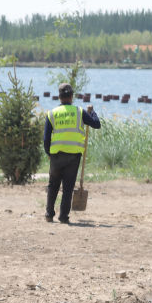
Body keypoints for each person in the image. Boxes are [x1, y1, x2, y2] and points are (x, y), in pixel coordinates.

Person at [43, 83, 101, 223]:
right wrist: (92, 113)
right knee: (68, 187)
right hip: (73, 156)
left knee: (53, 185)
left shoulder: (52, 113)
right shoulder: (80, 112)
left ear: (59, 96)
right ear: (71, 96)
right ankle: (63, 217)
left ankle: (49, 214)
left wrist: (48, 153)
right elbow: (96, 124)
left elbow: (46, 138)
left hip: (56, 155)